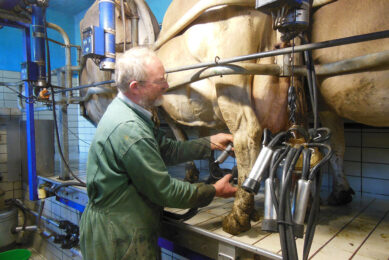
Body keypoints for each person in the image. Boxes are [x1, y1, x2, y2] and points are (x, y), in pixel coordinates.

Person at [79, 47, 237, 260]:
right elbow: (164, 191)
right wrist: (213, 191)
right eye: (160, 81)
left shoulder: (131, 112)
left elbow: (168, 149)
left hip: (122, 224)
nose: (167, 85)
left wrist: (210, 142)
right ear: (135, 87)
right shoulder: (130, 129)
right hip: (118, 236)